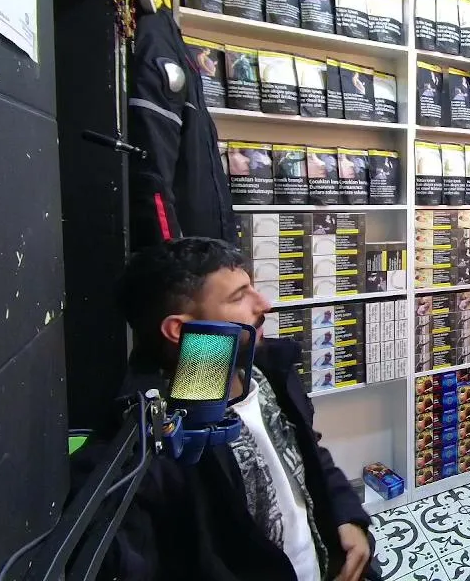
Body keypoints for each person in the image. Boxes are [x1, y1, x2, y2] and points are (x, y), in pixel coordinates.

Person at [104, 238, 376, 581]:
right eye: (238, 297)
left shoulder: (267, 371)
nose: (265, 304)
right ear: (179, 329)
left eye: (253, 289)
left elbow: (308, 451)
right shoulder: (161, 435)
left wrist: (346, 514)